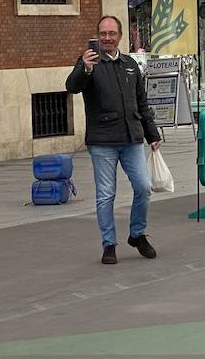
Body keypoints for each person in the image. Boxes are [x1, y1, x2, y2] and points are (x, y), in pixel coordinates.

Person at [66, 15, 162, 265]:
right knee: (106, 195)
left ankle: (137, 234)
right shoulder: (89, 63)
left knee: (143, 187)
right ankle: (109, 244)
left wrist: (152, 134)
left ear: (120, 36)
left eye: (112, 33)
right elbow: (72, 86)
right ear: (97, 36)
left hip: (131, 139)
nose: (107, 38)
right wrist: (85, 68)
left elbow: (141, 103)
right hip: (102, 141)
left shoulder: (130, 64)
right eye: (103, 34)